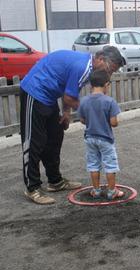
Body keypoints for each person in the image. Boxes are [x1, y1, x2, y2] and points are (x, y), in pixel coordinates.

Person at [19, 46, 123, 205]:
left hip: (50, 97)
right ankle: (32, 187)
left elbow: (69, 91)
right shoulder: (83, 67)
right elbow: (69, 97)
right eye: (110, 69)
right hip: (35, 91)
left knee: (55, 136)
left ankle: (55, 181)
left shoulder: (88, 69)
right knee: (34, 141)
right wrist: (93, 114)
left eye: (112, 72)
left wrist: (66, 113)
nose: (109, 74)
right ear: (101, 59)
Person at [78, 70, 123, 200]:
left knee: (93, 164)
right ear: (106, 84)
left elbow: (82, 120)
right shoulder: (109, 101)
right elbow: (113, 123)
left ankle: (96, 190)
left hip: (90, 138)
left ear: (91, 85)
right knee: (110, 164)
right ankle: (111, 191)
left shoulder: (84, 100)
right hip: (105, 139)